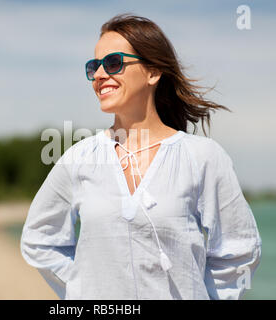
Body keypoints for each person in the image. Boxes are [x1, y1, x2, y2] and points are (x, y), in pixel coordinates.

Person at [20, 13, 262, 300]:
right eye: (93, 66)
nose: (99, 75)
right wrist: (83, 289)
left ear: (153, 72)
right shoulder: (79, 159)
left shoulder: (203, 157)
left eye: (112, 63)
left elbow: (240, 249)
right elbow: (39, 239)